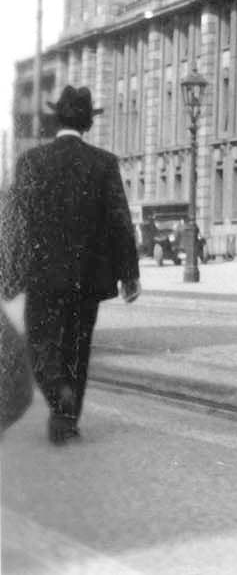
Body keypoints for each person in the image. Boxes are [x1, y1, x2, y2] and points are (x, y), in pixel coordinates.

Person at [0, 86, 141, 444]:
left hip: (43, 277)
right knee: (77, 348)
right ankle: (68, 418)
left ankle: (56, 395)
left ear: (56, 120)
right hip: (86, 279)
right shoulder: (104, 163)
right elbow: (120, 221)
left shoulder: (31, 162)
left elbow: (16, 221)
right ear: (87, 123)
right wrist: (130, 275)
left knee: (41, 345)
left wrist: (9, 274)